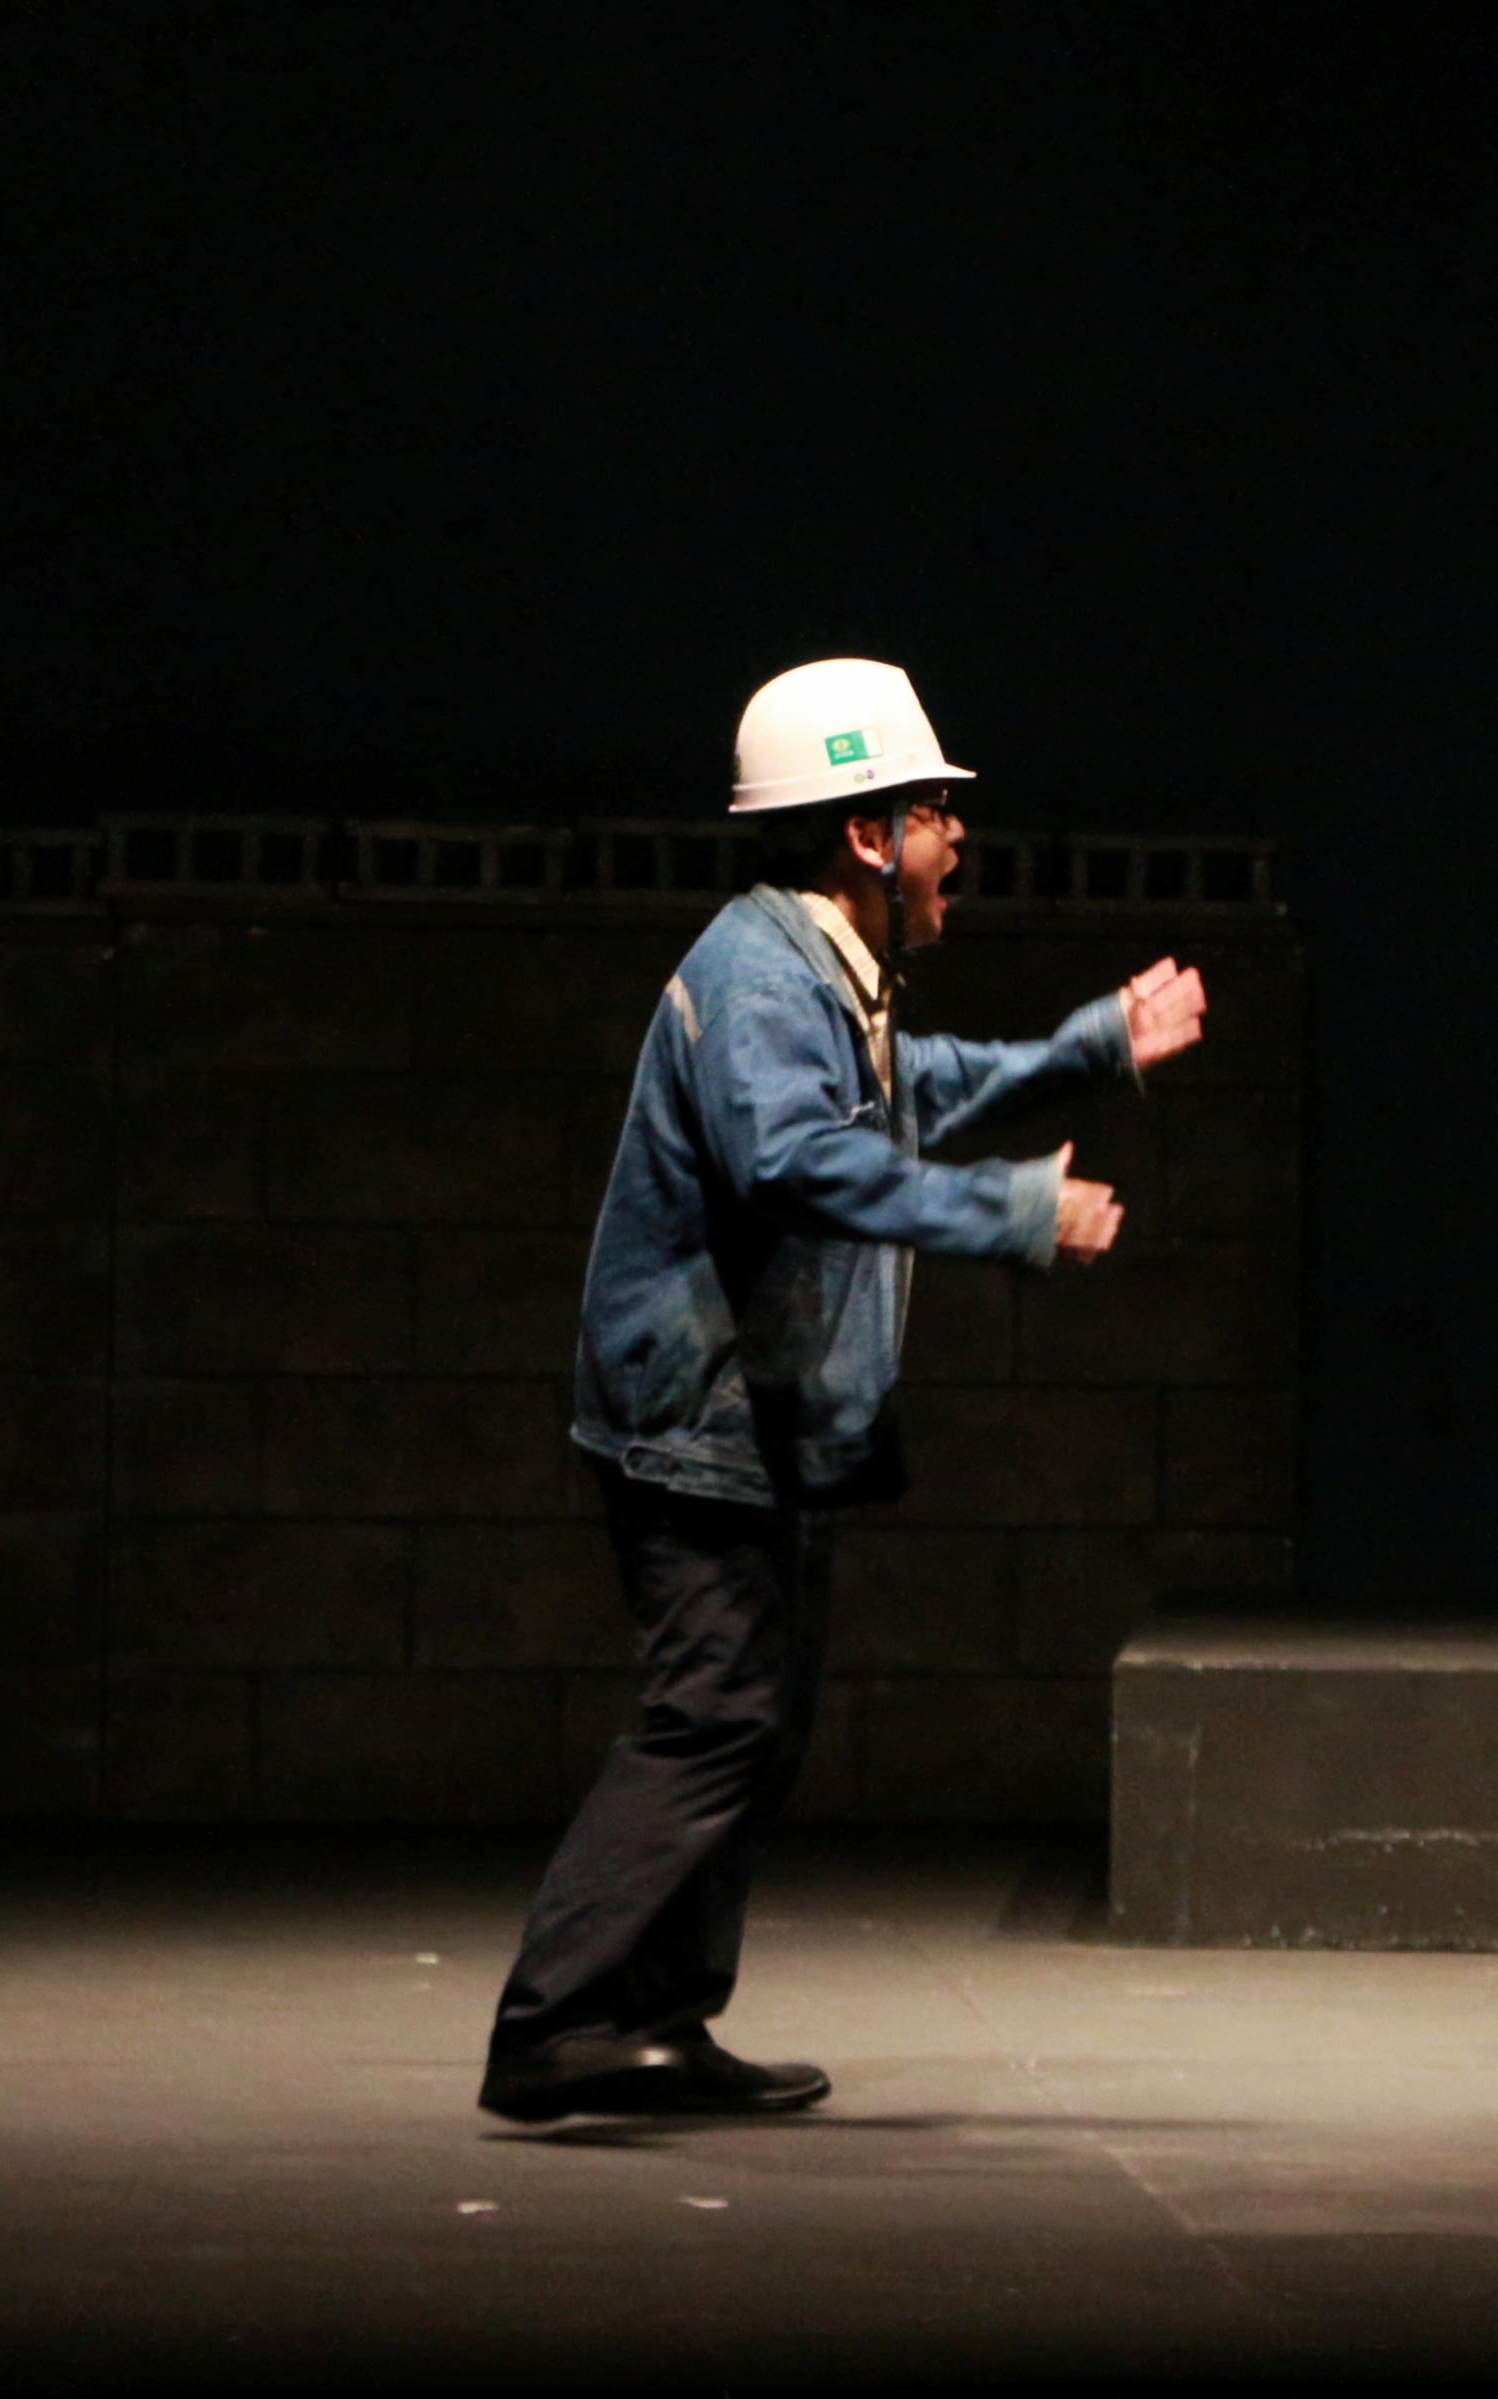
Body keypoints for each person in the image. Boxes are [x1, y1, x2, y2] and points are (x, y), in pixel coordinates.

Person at [479, 658, 1207, 2121]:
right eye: (936, 810)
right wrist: (1015, 1211)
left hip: (755, 1422)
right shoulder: (762, 978)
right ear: (869, 834)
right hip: (699, 1420)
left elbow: (909, 1085)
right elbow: (796, 1160)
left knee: (749, 1720)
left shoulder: (813, 969)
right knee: (714, 1718)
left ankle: (653, 2025)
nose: (957, 837)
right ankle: (558, 2026)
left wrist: (1091, 1049)